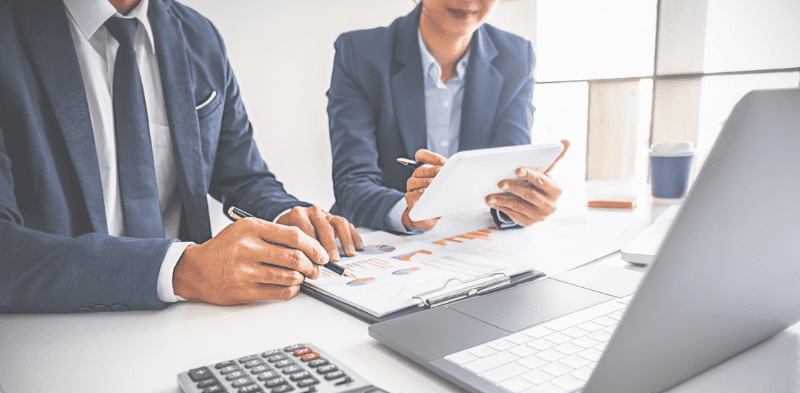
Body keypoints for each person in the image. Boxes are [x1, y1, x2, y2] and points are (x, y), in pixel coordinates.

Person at [0, 0, 364, 313]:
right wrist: (181, 269)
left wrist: (284, 216)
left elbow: (241, 176)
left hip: (187, 322)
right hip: (52, 331)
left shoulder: (199, 36)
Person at [328, 0, 569, 233]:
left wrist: (521, 203)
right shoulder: (359, 53)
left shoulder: (517, 57)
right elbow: (352, 184)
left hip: (471, 243)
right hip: (380, 239)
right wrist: (410, 212)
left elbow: (507, 180)